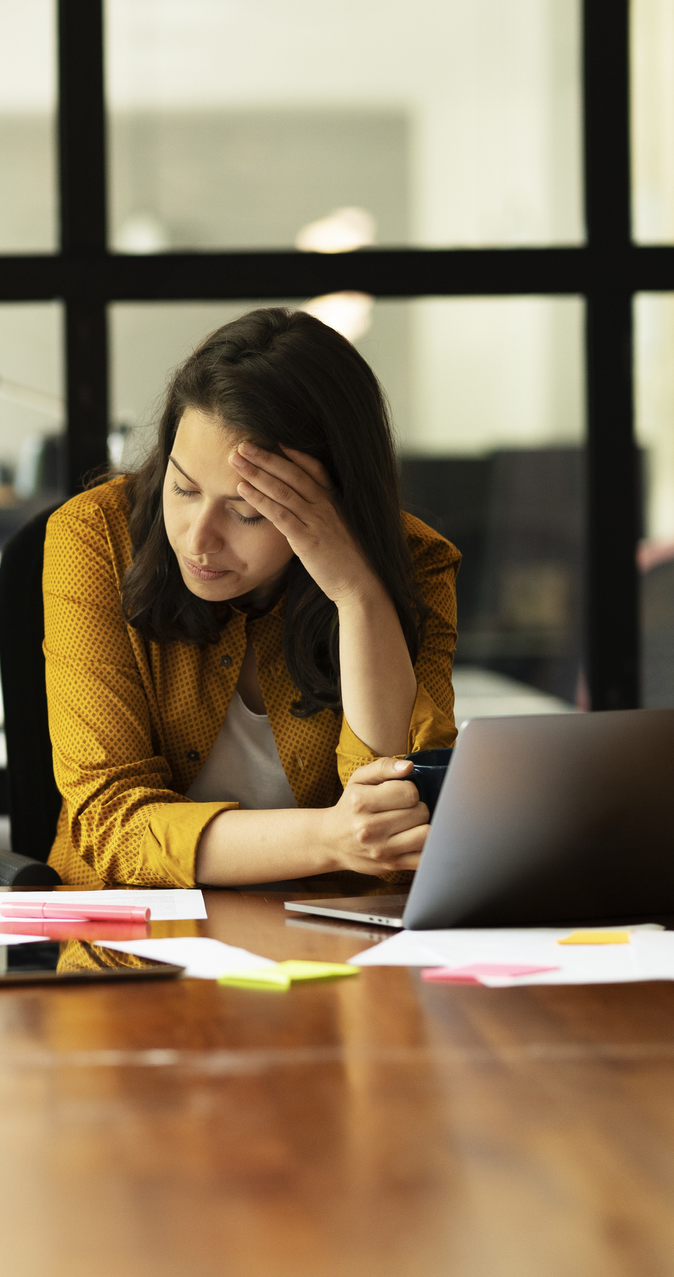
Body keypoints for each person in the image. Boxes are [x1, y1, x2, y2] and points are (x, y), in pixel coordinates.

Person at [43, 307, 458, 889]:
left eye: (248, 511)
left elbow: (399, 814)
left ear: (338, 501)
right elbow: (113, 820)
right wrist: (327, 839)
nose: (197, 537)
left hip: (329, 939)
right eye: (183, 488)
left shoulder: (416, 562)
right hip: (128, 934)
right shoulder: (95, 538)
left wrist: (359, 596)